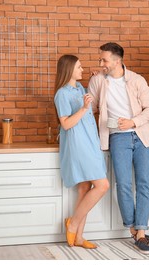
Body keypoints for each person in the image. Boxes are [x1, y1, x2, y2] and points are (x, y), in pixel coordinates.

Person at [88, 42, 149, 254]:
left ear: (118, 61)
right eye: (100, 60)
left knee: (144, 184)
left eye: (104, 60)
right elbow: (89, 109)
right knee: (124, 185)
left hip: (142, 136)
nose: (101, 63)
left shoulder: (137, 80)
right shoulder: (98, 80)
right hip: (118, 138)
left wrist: (133, 122)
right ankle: (134, 229)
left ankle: (141, 232)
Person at [54, 54, 109, 249]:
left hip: (90, 142)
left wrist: (97, 75)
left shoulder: (79, 88)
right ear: (69, 69)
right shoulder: (61, 94)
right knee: (102, 185)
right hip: (78, 144)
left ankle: (78, 237)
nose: (82, 70)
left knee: (85, 189)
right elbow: (66, 124)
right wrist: (85, 108)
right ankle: (73, 223)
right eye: (79, 67)